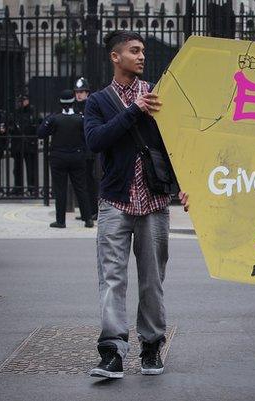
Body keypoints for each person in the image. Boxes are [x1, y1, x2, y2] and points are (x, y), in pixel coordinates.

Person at [84, 30, 189, 379]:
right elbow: (96, 141)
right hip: (116, 201)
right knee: (112, 279)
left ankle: (151, 347)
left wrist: (186, 186)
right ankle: (112, 351)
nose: (141, 56)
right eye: (134, 51)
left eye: (143, 51)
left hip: (155, 201)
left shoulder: (159, 97)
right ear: (116, 57)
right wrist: (133, 111)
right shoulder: (99, 101)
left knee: (152, 280)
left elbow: (178, 144)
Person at [37, 90, 94, 229]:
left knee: (60, 189)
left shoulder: (54, 119)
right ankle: (88, 219)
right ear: (73, 102)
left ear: (60, 103)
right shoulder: (80, 119)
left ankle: (60, 221)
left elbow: (40, 133)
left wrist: (48, 121)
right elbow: (88, 136)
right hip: (77, 157)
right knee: (81, 188)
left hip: (59, 158)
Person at [73, 77, 99, 220]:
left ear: (87, 93)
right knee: (81, 182)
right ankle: (86, 211)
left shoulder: (90, 105)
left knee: (88, 181)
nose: (79, 94)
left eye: (82, 92)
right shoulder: (75, 107)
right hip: (77, 149)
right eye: (77, 92)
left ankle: (92, 210)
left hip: (87, 150)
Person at [11, 93, 39, 196]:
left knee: (31, 168)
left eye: (22, 100)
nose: (20, 102)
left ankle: (32, 188)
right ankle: (18, 188)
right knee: (17, 168)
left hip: (29, 143)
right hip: (18, 144)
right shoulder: (15, 113)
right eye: (19, 100)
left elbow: (37, 127)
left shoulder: (33, 112)